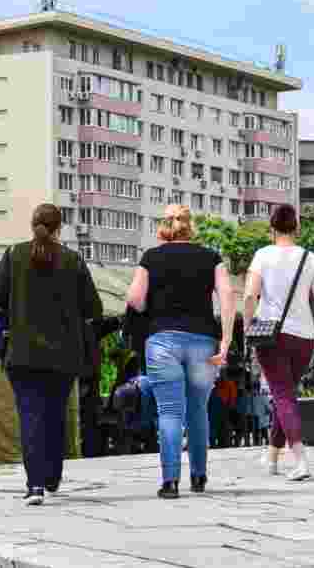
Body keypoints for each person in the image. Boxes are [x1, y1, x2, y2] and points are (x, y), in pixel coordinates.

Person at [0, 203, 102, 506]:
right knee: (55, 414)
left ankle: (35, 485)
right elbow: (94, 308)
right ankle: (52, 477)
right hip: (64, 356)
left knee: (30, 416)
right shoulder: (73, 260)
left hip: (22, 354)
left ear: (32, 224)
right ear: (59, 228)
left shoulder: (14, 255)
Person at [126, 204, 236, 499]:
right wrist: (225, 340)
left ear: (165, 227)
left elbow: (135, 299)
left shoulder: (151, 257)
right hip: (202, 342)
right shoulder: (210, 257)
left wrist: (156, 309)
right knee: (198, 410)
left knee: (170, 412)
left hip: (162, 341)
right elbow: (226, 295)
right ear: (191, 226)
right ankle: (199, 476)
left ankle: (170, 482)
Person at [243, 204, 314, 482]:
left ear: (271, 228)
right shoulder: (310, 258)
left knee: (283, 395)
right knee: (285, 394)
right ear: (297, 228)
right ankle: (272, 455)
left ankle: (300, 460)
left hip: (270, 335)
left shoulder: (263, 255)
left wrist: (247, 327)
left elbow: (250, 296)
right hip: (304, 338)